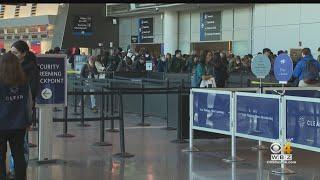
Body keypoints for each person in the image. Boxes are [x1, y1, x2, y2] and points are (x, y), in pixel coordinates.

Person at [0, 52, 32, 180]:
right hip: (19, 124)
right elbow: (29, 103)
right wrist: (29, 121)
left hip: (1, 125)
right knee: (18, 154)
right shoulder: (24, 81)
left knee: (0, 155)